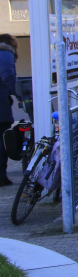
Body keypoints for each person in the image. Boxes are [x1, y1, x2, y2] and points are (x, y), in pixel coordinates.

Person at [0, 34, 19, 186]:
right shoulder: (5, 53)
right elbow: (8, 77)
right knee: (2, 141)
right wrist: (20, 94)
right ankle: (1, 176)